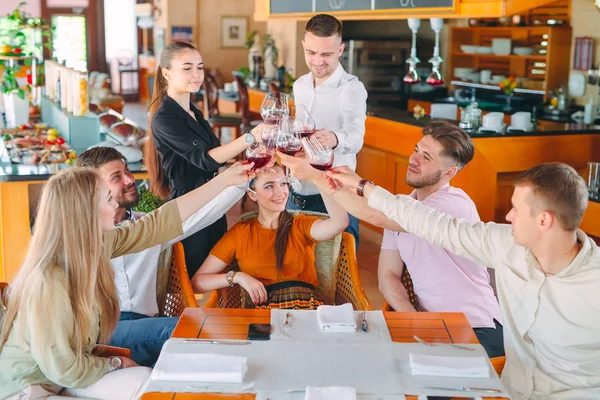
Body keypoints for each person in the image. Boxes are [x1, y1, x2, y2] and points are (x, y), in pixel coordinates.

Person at [321, 162, 600, 400]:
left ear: (543, 221)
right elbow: (433, 224)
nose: (508, 216)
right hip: (507, 391)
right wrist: (362, 186)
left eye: (516, 209)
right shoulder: (505, 244)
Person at [0, 162, 253, 400]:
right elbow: (64, 369)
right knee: (144, 384)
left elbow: (160, 223)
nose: (115, 206)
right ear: (86, 213)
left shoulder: (96, 243)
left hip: (58, 378)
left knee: (144, 380)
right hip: (30, 390)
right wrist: (115, 363)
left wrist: (224, 181)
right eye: (108, 199)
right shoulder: (50, 280)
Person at [280, 121, 504, 357]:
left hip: (476, 327)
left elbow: (374, 215)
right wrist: (414, 317)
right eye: (416, 150)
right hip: (432, 326)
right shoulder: (400, 207)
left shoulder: (453, 203)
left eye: (426, 157)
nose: (414, 159)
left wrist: (315, 177)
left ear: (449, 172)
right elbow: (388, 276)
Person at [75, 146, 244, 367]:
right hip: (99, 332)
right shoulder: (79, 238)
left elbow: (203, 215)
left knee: (183, 358)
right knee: (194, 329)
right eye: (116, 177)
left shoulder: (146, 226)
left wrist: (243, 182)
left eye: (127, 170)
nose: (129, 179)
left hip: (148, 327)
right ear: (94, 188)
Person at [145, 41, 264, 278]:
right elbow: (206, 160)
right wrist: (251, 137)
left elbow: (218, 159)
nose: (196, 74)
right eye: (187, 68)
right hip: (189, 207)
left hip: (212, 201)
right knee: (192, 281)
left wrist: (253, 161)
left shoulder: (195, 113)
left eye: (199, 67)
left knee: (217, 274)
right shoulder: (164, 118)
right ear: (167, 73)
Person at [191, 164, 349, 308]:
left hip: (307, 309)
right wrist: (238, 277)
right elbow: (198, 283)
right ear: (252, 195)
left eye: (283, 184)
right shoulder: (240, 233)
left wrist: (319, 177)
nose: (280, 192)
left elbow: (339, 222)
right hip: (264, 316)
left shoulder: (300, 224)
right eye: (269, 186)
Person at [288, 14, 367, 249]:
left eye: (326, 54)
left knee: (337, 279)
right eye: (311, 53)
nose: (318, 61)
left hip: (336, 196)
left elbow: (355, 138)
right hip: (296, 193)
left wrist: (335, 138)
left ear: (341, 49)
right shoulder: (300, 85)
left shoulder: (351, 88)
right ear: (303, 45)